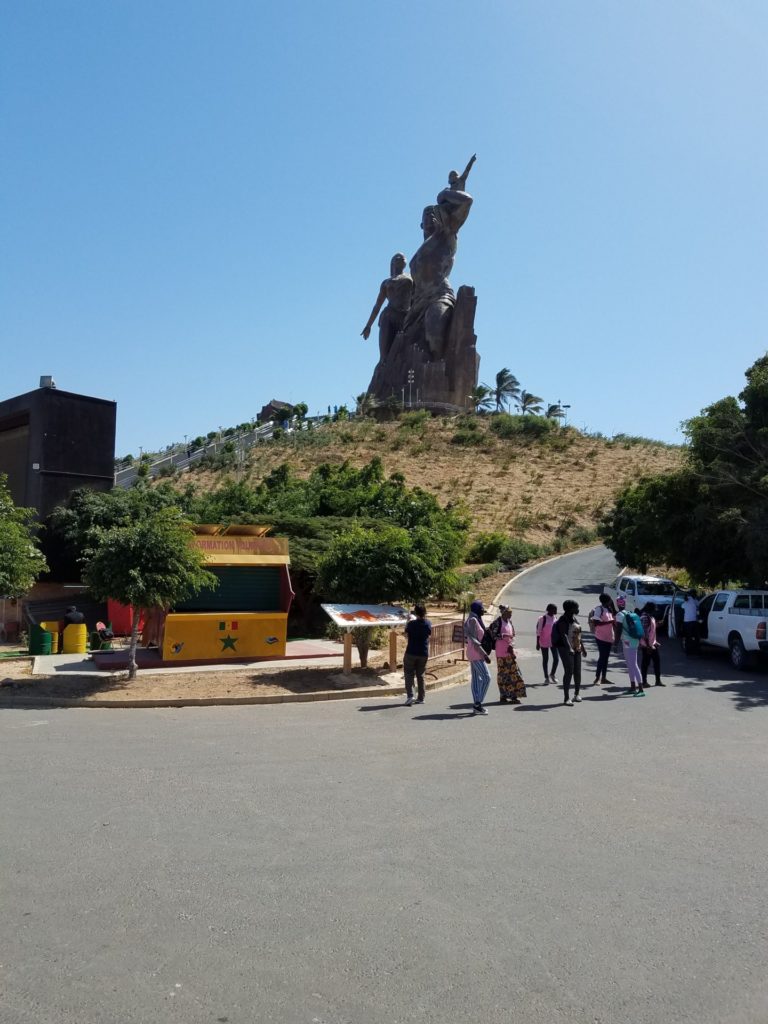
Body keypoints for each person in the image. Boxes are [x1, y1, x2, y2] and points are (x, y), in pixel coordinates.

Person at [360, 253, 413, 363]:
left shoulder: (411, 279)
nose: (401, 258)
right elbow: (377, 306)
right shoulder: (386, 283)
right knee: (386, 316)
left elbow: (418, 295)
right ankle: (383, 358)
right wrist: (368, 325)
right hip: (391, 314)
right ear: (393, 263)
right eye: (397, 257)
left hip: (406, 315)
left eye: (403, 257)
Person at [553, 600, 586, 706]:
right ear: (570, 609)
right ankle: (566, 698)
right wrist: (569, 648)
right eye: (576, 608)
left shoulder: (574, 618)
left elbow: (578, 634)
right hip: (565, 649)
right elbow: (564, 636)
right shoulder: (563, 620)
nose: (578, 609)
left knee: (577, 671)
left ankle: (577, 694)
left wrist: (583, 648)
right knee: (569, 671)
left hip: (577, 648)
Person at [493, 605, 526, 704]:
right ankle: (503, 696)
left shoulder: (509, 622)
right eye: (509, 612)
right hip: (500, 652)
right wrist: (503, 636)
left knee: (513, 673)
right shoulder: (497, 623)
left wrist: (511, 646)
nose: (511, 614)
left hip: (509, 651)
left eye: (511, 612)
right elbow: (493, 635)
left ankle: (513, 696)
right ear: (504, 613)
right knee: (502, 674)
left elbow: (513, 635)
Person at [464, 600, 492, 715]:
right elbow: (474, 640)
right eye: (481, 608)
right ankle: (478, 703)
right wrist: (484, 654)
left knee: (476, 679)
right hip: (476, 653)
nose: (483, 610)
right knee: (486, 677)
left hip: (474, 653)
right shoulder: (473, 621)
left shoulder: (475, 619)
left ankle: (477, 705)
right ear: (476, 609)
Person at [403, 604, 432, 706]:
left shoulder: (411, 624)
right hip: (423, 652)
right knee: (421, 674)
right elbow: (429, 635)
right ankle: (421, 697)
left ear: (415, 613)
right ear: (425, 612)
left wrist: (407, 622)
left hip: (411, 651)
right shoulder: (428, 623)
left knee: (409, 673)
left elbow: (406, 635)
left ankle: (410, 696)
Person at [615, 597, 645, 695]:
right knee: (630, 664)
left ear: (617, 604)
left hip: (628, 642)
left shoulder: (619, 615)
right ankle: (633, 687)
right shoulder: (628, 612)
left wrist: (615, 643)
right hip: (632, 641)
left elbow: (618, 630)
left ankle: (641, 689)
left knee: (633, 665)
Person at [589, 593, 616, 686]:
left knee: (606, 658)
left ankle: (604, 677)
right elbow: (596, 623)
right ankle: (597, 678)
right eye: (610, 600)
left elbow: (613, 623)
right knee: (602, 657)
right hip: (600, 637)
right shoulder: (599, 609)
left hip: (609, 637)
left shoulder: (609, 609)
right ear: (606, 600)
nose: (611, 601)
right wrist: (610, 621)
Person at [639, 603, 664, 687]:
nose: (655, 612)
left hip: (652, 644)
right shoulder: (645, 617)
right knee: (646, 663)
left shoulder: (650, 617)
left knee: (657, 662)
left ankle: (658, 681)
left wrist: (658, 625)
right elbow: (644, 633)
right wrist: (648, 646)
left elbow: (651, 630)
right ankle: (644, 681)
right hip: (647, 645)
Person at [536, 604, 559, 684]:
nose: (556, 611)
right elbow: (538, 631)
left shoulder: (555, 618)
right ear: (549, 610)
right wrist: (537, 643)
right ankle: (546, 677)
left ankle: (552, 674)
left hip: (553, 641)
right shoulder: (543, 619)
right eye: (554, 609)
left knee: (556, 659)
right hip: (544, 641)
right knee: (546, 659)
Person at [682, 590, 700, 655]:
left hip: (687, 622)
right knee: (696, 637)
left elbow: (682, 606)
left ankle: (688, 651)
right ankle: (696, 651)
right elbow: (698, 607)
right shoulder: (695, 601)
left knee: (688, 637)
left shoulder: (686, 601)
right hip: (694, 621)